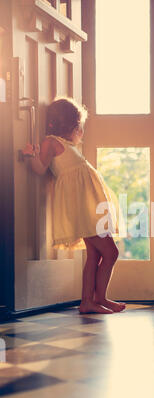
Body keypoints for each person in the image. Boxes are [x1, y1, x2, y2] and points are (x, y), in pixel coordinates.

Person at [23, 97, 126, 315]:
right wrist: (30, 154)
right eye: (78, 126)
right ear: (68, 125)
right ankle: (98, 298)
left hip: (90, 208)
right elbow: (40, 168)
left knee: (95, 256)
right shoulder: (51, 142)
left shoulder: (69, 146)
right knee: (111, 253)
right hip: (83, 210)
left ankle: (90, 301)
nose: (80, 130)